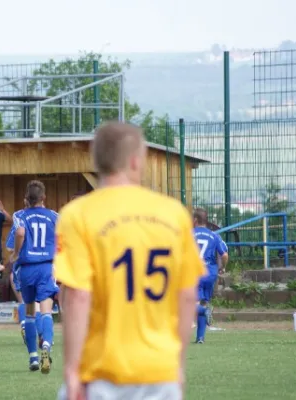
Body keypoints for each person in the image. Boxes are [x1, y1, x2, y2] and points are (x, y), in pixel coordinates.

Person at [54, 122, 206, 400]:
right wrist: (178, 366)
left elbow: (76, 296)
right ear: (136, 160)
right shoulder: (174, 214)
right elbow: (187, 295)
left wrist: (72, 369)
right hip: (159, 372)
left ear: (96, 160)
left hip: (102, 372)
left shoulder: (77, 215)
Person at [11, 180, 59, 374]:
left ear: (26, 198)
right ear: (43, 197)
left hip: (27, 269)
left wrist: (15, 253)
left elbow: (20, 232)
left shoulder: (20, 215)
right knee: (46, 311)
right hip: (46, 268)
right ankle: (46, 346)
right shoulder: (54, 216)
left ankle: (32, 357)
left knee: (30, 313)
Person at [5, 199, 43, 345]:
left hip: (23, 267)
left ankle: (24, 327)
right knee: (38, 304)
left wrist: (17, 252)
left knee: (26, 301)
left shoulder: (19, 219)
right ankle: (42, 335)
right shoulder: (48, 219)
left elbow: (9, 247)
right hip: (42, 266)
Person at [193, 207, 229, 344]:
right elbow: (224, 255)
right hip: (210, 274)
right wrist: (222, 268)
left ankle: (205, 310)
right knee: (202, 301)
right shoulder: (214, 235)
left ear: (195, 220)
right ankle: (200, 338)